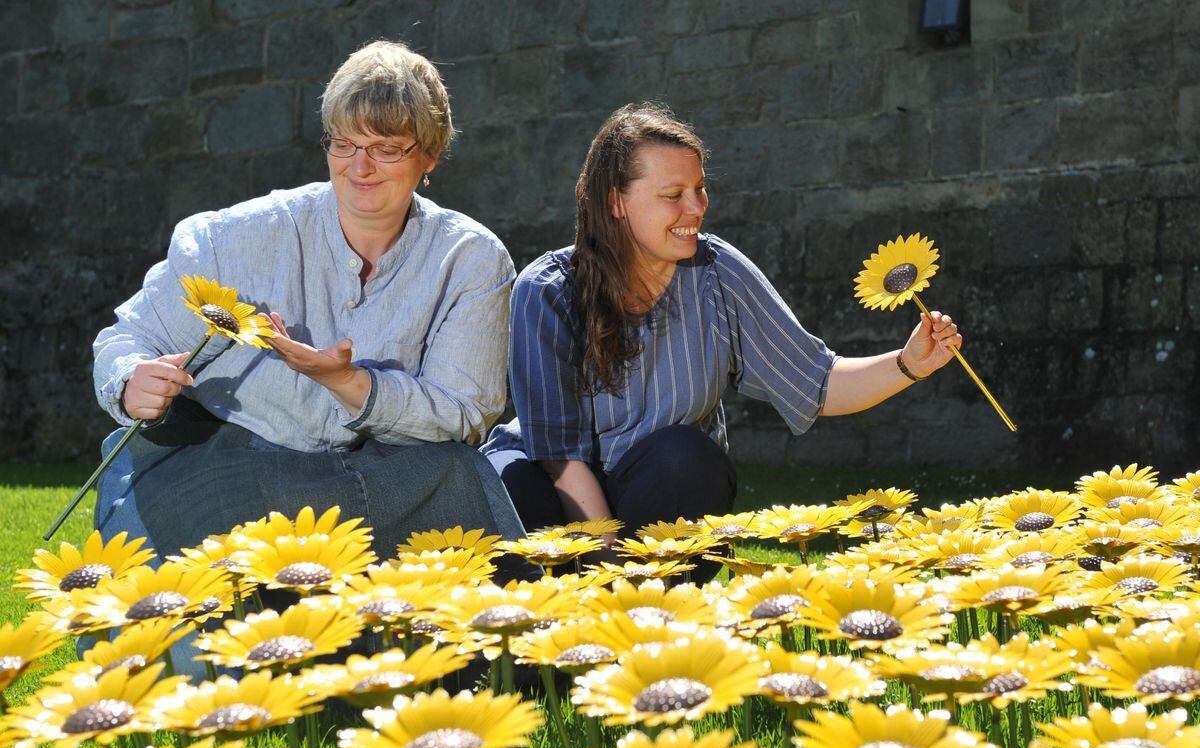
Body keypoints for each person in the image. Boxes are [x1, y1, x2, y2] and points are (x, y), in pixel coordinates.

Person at [93, 40, 532, 582]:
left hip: (392, 469)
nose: (360, 167)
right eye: (344, 144)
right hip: (236, 457)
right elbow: (128, 337)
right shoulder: (234, 238)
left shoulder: (470, 259)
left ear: (430, 155)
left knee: (459, 489)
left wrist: (352, 384)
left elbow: (467, 412)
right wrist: (129, 380)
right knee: (218, 610)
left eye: (387, 147)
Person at [483, 103, 962, 569]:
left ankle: (661, 608)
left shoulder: (717, 272)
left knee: (687, 458)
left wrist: (908, 363)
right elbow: (561, 460)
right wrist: (608, 572)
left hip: (661, 488)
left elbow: (817, 381)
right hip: (554, 485)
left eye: (700, 188)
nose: (696, 208)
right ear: (616, 202)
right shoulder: (546, 290)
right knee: (510, 487)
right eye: (673, 194)